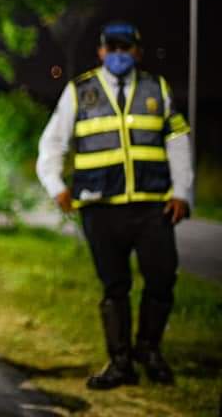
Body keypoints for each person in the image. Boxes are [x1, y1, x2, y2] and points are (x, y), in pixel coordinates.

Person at [36, 20, 193, 389]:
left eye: (127, 48)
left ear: (137, 51)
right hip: (99, 207)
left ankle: (149, 350)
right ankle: (121, 362)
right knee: (114, 286)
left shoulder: (158, 89)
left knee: (161, 278)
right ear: (101, 51)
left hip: (152, 206)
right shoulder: (80, 91)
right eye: (113, 47)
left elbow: (179, 141)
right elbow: (53, 143)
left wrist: (182, 192)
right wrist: (57, 186)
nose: (119, 54)